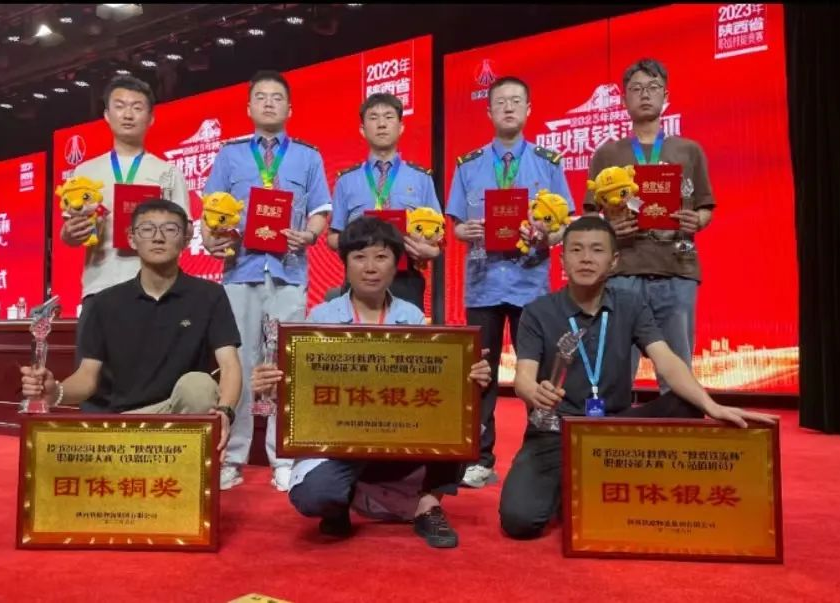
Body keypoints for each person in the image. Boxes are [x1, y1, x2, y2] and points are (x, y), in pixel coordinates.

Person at [498, 216, 778, 539]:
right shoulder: (538, 311)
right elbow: (523, 378)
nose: (586, 258)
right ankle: (576, 485)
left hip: (614, 432)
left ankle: (599, 481)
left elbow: (667, 361)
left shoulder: (630, 305)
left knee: (685, 404)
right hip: (555, 433)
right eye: (576, 250)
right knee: (519, 521)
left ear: (614, 261)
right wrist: (535, 393)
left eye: (597, 250)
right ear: (562, 260)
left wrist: (711, 405)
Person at [250, 217, 491, 548]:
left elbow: (433, 386)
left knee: (459, 420)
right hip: (339, 440)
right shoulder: (321, 318)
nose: (370, 267)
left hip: (400, 433)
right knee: (315, 496)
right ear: (345, 263)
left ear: (396, 263)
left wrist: (467, 377)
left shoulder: (412, 318)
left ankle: (428, 504)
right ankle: (341, 501)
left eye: (381, 257)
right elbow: (303, 390)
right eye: (359, 257)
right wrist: (273, 384)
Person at [22, 200, 242, 457]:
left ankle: (185, 467)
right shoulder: (104, 303)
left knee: (199, 386)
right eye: (147, 229)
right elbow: (87, 377)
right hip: (122, 421)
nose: (158, 238)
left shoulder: (209, 296)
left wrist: (225, 411)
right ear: (132, 238)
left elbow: (230, 365)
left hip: (178, 419)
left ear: (185, 239)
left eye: (170, 229)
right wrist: (55, 392)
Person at [202, 70, 332, 492]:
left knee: (284, 365)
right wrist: (214, 237)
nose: (269, 103)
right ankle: (232, 456)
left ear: (289, 108)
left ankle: (284, 457)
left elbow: (320, 211)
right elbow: (211, 212)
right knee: (238, 363)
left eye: (277, 97)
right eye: (261, 96)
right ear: (249, 107)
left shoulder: (308, 157)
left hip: (288, 272)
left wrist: (308, 235)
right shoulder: (230, 156)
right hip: (240, 271)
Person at [445, 75, 574, 489]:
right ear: (489, 111)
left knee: (537, 374)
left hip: (530, 284)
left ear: (528, 109)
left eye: (516, 100)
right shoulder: (468, 165)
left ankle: (541, 454)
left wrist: (547, 234)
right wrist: (463, 231)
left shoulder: (547, 163)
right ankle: (479, 459)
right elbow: (454, 225)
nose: (508, 107)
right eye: (500, 101)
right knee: (480, 375)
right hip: (483, 283)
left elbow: (566, 223)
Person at [584, 58, 715, 392]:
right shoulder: (607, 154)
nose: (645, 94)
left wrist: (696, 220)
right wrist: (609, 230)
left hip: (677, 269)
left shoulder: (689, 150)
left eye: (653, 87)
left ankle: (678, 420)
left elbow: (705, 208)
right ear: (624, 99)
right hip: (623, 271)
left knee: (677, 368)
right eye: (636, 89)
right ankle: (614, 422)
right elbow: (590, 217)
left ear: (665, 96)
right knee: (616, 368)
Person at [60, 75, 188, 363]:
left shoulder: (167, 172)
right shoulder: (84, 172)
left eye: (137, 107)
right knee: (94, 376)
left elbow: (185, 231)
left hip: (155, 290)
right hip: (99, 287)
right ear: (107, 114)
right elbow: (68, 234)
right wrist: (70, 233)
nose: (128, 114)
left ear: (151, 118)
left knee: (152, 374)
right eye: (120, 106)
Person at [328, 92, 441, 308]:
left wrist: (429, 250)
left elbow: (438, 237)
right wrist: (358, 240)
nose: (381, 124)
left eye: (389, 117)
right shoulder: (346, 180)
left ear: (401, 127)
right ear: (362, 130)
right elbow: (332, 237)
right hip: (359, 279)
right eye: (374, 118)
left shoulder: (421, 178)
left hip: (406, 278)